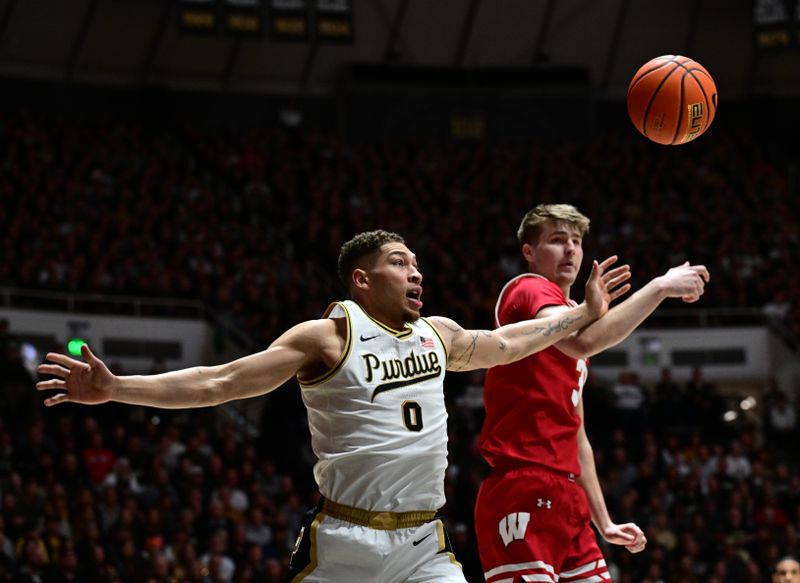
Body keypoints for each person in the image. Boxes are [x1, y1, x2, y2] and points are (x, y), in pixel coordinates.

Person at [36, 229, 630, 583]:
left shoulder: (439, 335)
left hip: (424, 543)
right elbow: (220, 382)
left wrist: (582, 315)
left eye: (416, 263)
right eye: (399, 262)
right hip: (343, 541)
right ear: (361, 281)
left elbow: (506, 345)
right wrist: (118, 389)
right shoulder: (327, 337)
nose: (415, 270)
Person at [474, 205, 709, 583]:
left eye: (576, 241)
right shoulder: (526, 288)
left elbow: (577, 434)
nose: (570, 249)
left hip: (569, 496)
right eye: (556, 240)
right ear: (529, 252)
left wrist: (604, 521)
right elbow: (583, 341)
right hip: (521, 484)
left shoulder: (575, 313)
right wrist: (660, 287)